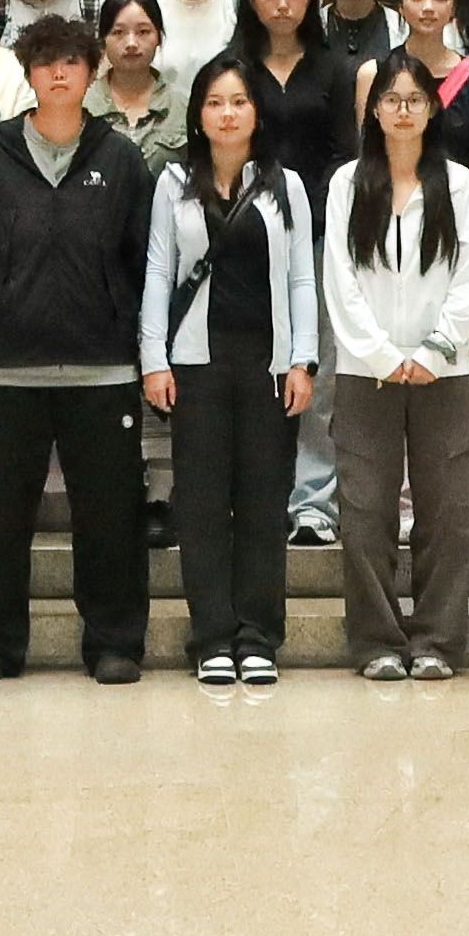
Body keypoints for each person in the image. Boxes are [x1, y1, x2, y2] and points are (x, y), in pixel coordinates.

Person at [0, 12, 155, 686]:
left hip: (103, 368)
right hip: (9, 369)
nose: (59, 73)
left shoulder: (120, 159)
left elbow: (143, 257)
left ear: (91, 73)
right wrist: (1, 307)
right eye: (45, 62)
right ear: (28, 74)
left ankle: (115, 641)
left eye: (71, 62)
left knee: (111, 517)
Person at [143, 53, 320, 686]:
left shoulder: (286, 185)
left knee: (264, 504)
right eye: (215, 102)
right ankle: (212, 636)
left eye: (239, 102)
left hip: (268, 366)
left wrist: (303, 359)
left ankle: (258, 637)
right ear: (198, 114)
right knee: (202, 505)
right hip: (196, 365)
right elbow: (159, 271)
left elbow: (301, 278)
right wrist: (153, 358)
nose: (227, 113)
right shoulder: (173, 182)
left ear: (257, 112)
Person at [322, 53, 469, 683]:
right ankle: (375, 640)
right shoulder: (348, 184)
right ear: (374, 110)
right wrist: (380, 354)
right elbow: (339, 278)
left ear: (432, 110)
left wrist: (434, 351)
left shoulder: (460, 185)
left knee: (451, 511)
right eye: (391, 100)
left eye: (414, 100)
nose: (402, 110)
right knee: (364, 510)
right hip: (365, 371)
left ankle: (437, 640)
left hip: (441, 373)